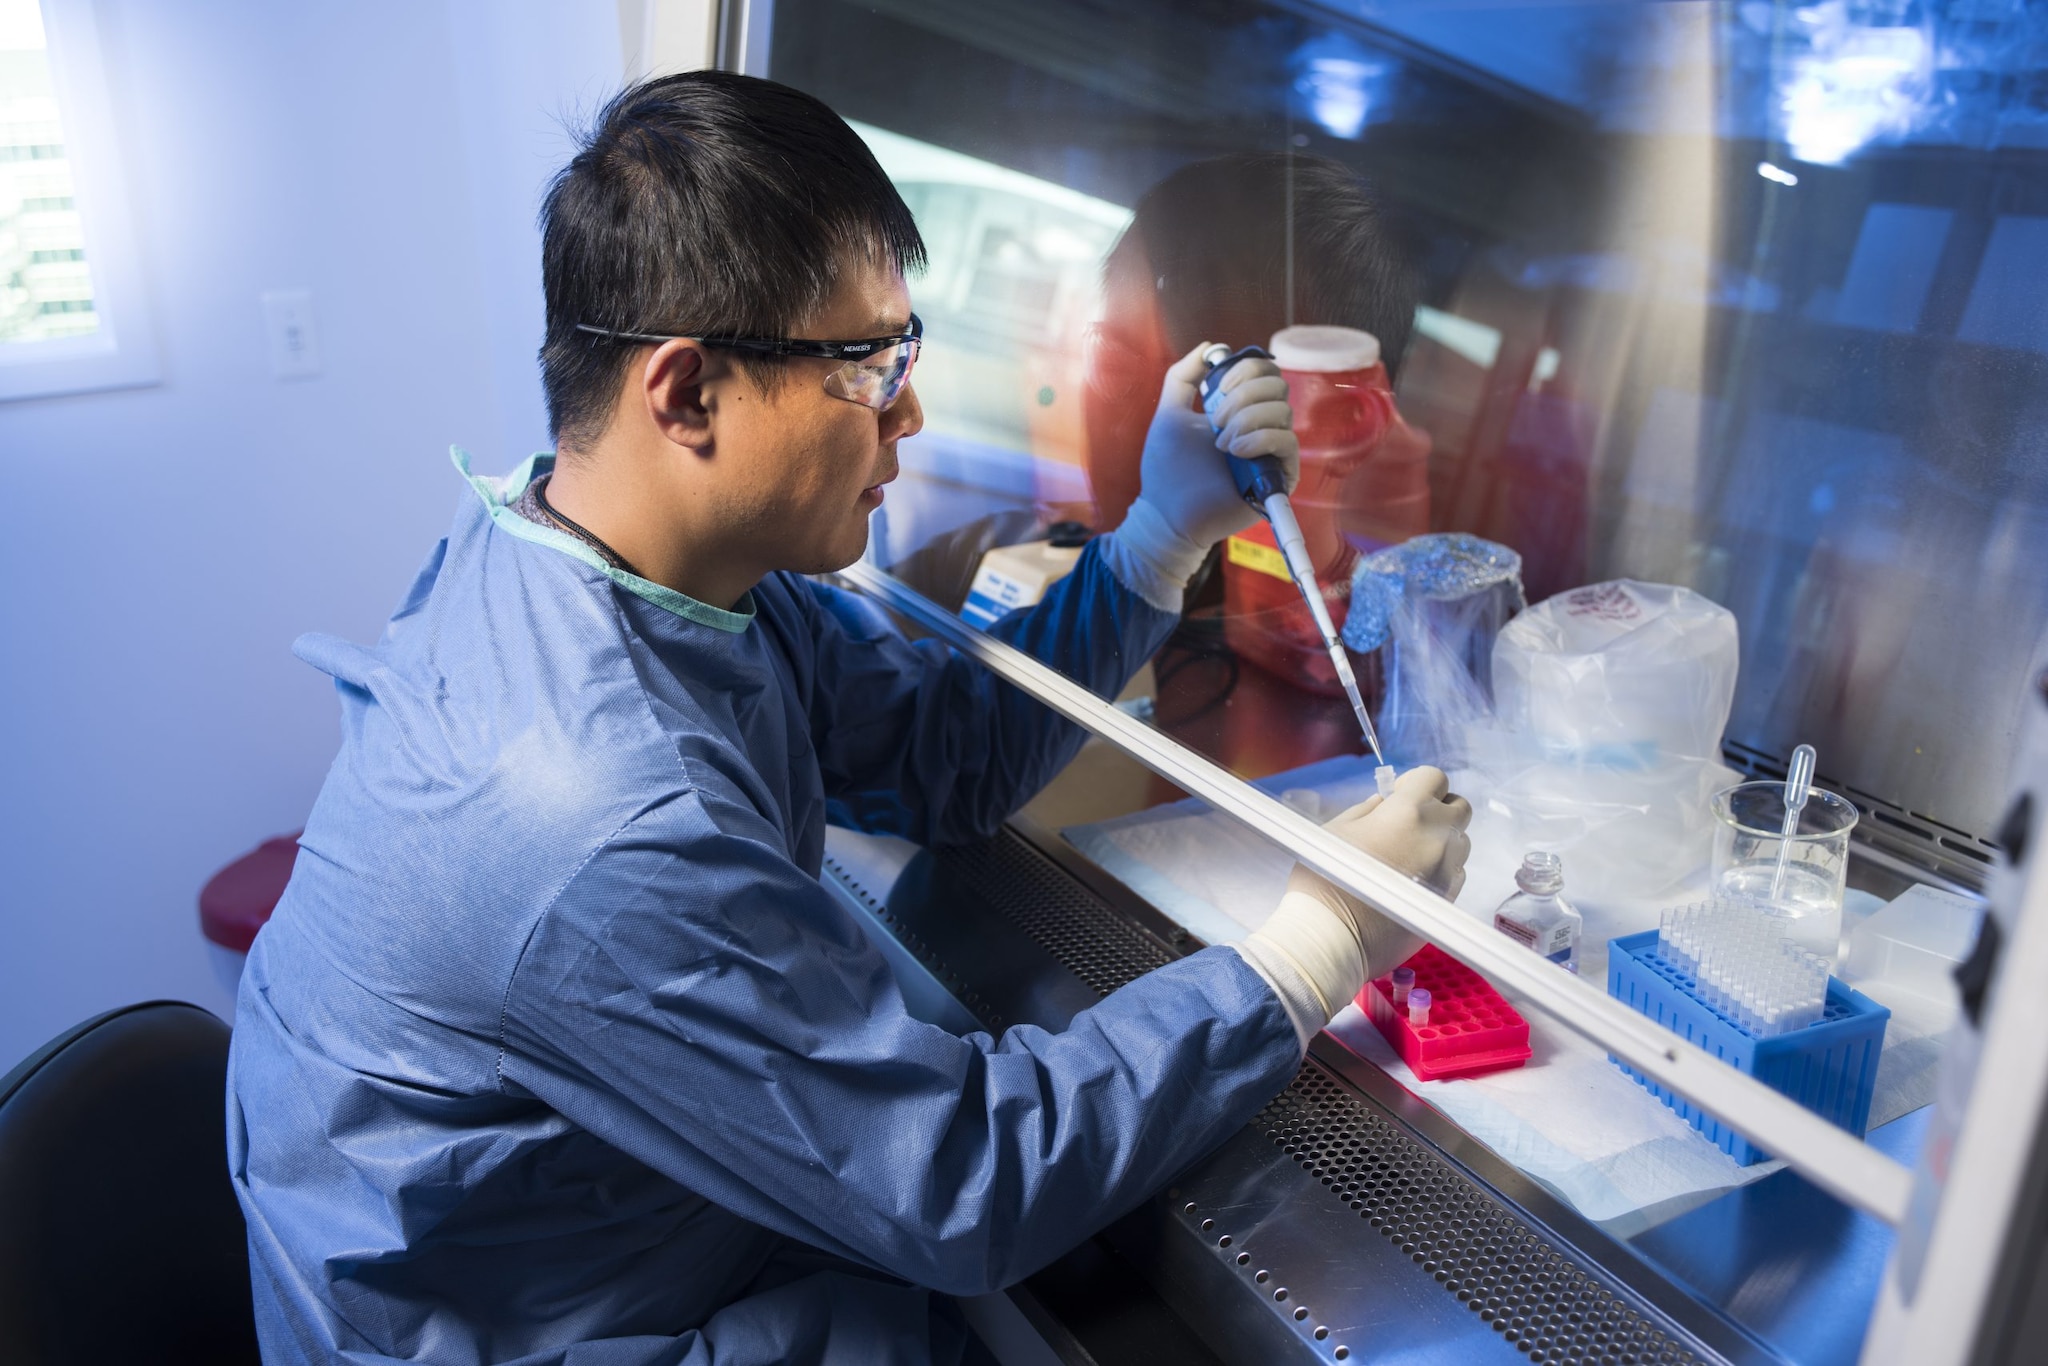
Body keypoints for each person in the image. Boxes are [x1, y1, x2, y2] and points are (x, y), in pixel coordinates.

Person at [226, 72, 1471, 1366]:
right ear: (688, 393)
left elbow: (942, 756)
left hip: (606, 1238)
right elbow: (962, 1181)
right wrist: (1321, 941)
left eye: (905, 350)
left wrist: (1159, 538)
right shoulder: (599, 819)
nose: (909, 411)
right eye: (864, 364)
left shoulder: (625, 560)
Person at [1083, 152, 1420, 535]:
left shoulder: (1358, 596)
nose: (1147, 438)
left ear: (1345, 430)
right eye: (1114, 366)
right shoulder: (1028, 557)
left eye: (1212, 401)